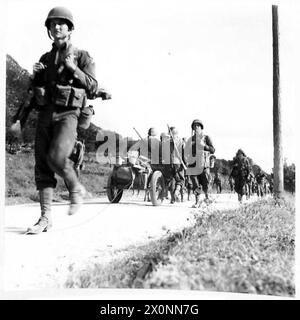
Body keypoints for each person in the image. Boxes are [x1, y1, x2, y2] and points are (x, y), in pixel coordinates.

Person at [26, 7, 99, 234]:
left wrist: (73, 69)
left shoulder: (82, 56)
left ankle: (75, 188)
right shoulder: (45, 58)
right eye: (53, 23)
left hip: (69, 114)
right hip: (46, 113)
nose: (57, 27)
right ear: (48, 28)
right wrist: (35, 76)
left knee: (57, 157)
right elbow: (36, 89)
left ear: (69, 28)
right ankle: (45, 217)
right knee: (42, 164)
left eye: (61, 23)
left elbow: (94, 87)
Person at [184, 119, 215, 207]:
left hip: (204, 165)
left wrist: (204, 146)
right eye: (195, 126)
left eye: (198, 126)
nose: (196, 127)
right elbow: (186, 152)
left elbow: (213, 150)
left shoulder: (206, 138)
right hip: (193, 165)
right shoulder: (190, 139)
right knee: (195, 184)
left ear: (201, 127)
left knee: (205, 183)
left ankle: (207, 198)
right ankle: (197, 201)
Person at [169, 126, 185, 203]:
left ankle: (172, 199)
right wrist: (185, 163)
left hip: (168, 163)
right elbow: (184, 153)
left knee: (171, 180)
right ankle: (176, 192)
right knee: (181, 180)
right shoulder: (181, 141)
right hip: (177, 162)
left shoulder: (166, 141)